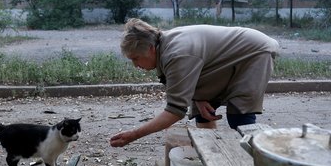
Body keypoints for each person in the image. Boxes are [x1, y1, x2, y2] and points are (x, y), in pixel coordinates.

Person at [109, 18, 280, 147]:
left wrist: (134, 135)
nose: (135, 65)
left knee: (239, 117)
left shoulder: (176, 54)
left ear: (151, 49)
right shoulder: (165, 46)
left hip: (254, 54)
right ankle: (212, 154)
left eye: (136, 58)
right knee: (202, 111)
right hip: (224, 61)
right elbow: (187, 81)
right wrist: (198, 97)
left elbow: (175, 111)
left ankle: (263, 159)